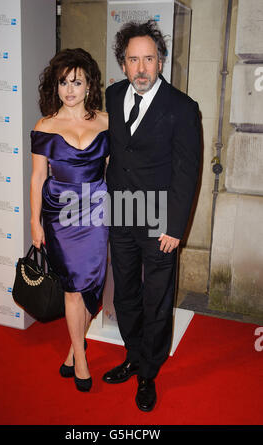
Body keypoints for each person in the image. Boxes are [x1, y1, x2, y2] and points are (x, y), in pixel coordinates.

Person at [103, 20, 201, 411]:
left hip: (160, 221)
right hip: (120, 214)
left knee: (157, 299)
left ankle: (149, 372)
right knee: (125, 293)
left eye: (148, 58)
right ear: (123, 65)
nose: (141, 68)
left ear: (160, 61)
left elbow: (187, 170)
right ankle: (132, 354)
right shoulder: (110, 96)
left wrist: (175, 226)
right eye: (132, 60)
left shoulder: (181, 107)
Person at [30, 48, 109, 392]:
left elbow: (111, 170)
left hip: (97, 213)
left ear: (89, 85)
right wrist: (34, 222)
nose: (70, 89)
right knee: (73, 288)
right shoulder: (45, 126)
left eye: (77, 82)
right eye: (63, 82)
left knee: (92, 284)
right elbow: (37, 177)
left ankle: (71, 348)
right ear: (55, 86)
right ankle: (81, 357)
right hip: (60, 217)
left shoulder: (107, 122)